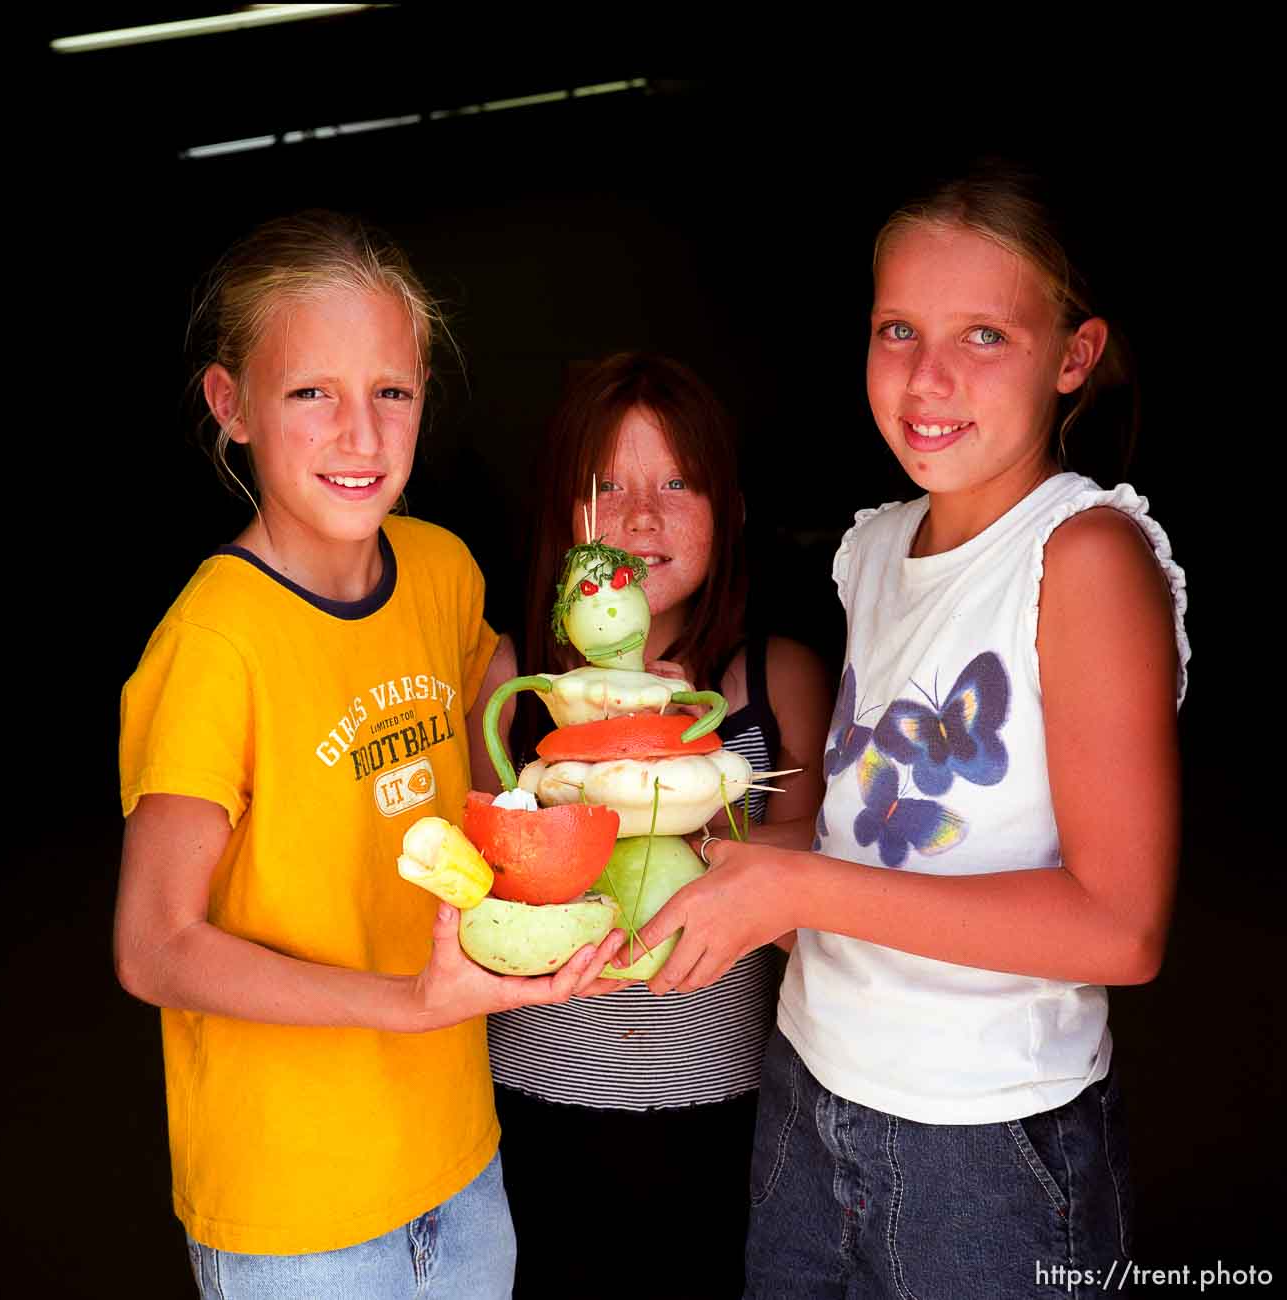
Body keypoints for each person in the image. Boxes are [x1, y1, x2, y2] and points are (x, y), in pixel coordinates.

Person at [638, 164, 1190, 1299]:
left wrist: (793, 895)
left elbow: (1119, 927)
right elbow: (880, 846)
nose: (927, 378)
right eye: (898, 329)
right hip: (811, 1084)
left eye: (983, 333)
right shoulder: (875, 551)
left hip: (984, 1147)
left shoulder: (1080, 559)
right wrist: (706, 868)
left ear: (1072, 356)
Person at [113, 210, 624, 1300]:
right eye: (312, 394)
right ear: (231, 406)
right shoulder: (215, 643)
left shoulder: (439, 571)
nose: (361, 434)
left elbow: (498, 741)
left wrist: (574, 828)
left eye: (392, 391)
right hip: (296, 1210)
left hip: (456, 1157)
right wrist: (409, 1002)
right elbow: (153, 948)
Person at [487, 352, 833, 1299]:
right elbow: (488, 880)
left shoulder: (776, 682)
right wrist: (587, 764)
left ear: (732, 509)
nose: (641, 517)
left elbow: (822, 886)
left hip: (727, 1108)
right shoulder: (512, 683)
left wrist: (678, 789)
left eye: (678, 482)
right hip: (539, 1103)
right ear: (564, 511)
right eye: (606, 486)